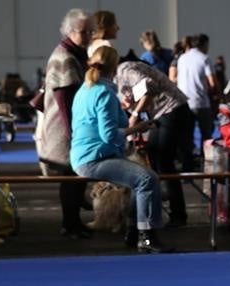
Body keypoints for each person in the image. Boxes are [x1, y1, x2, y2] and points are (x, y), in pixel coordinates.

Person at [71, 46, 171, 253]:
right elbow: (108, 135)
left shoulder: (86, 89)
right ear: (114, 67)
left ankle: (135, 232)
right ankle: (146, 237)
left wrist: (123, 110)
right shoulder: (104, 93)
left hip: (84, 155)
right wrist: (138, 127)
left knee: (139, 181)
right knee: (147, 179)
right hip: (95, 158)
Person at [35, 8, 93, 239]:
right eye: (83, 31)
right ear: (69, 32)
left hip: (71, 125)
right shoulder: (65, 58)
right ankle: (70, 225)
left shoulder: (76, 53)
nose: (88, 35)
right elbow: (64, 99)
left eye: (90, 31)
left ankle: (74, 222)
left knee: (76, 177)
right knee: (71, 178)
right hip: (64, 127)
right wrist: (74, 132)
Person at [115, 58, 192, 227]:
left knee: (164, 161)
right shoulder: (115, 80)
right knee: (155, 160)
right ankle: (159, 210)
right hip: (161, 114)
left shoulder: (124, 70)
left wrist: (135, 114)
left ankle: (178, 214)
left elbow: (149, 87)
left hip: (172, 110)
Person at [175, 33, 218, 166]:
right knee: (206, 135)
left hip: (183, 102)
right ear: (204, 44)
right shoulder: (205, 58)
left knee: (186, 136)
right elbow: (213, 83)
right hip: (200, 102)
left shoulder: (182, 58)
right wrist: (216, 95)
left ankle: (187, 164)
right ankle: (206, 163)